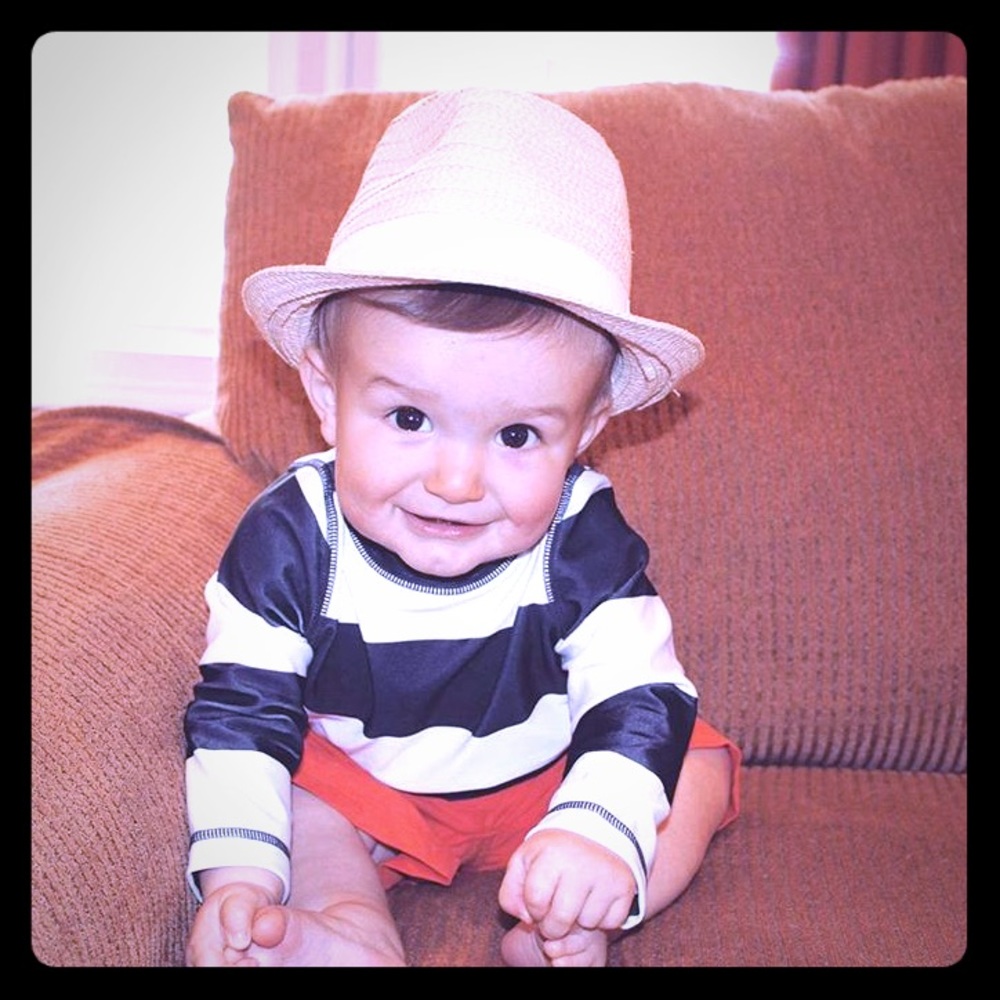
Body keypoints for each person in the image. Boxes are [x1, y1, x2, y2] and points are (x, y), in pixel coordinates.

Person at [184, 87, 740, 968]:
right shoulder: (290, 539)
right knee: (302, 791)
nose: (455, 483)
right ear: (325, 394)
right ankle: (348, 924)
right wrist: (239, 879)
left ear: (585, 432)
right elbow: (242, 713)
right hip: (374, 790)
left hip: (555, 778)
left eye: (517, 436)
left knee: (695, 760)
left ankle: (580, 917)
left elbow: (637, 688)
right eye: (409, 419)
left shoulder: (581, 532)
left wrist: (597, 827)